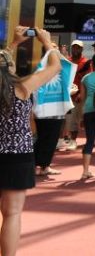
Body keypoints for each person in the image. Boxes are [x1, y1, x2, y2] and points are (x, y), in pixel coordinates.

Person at [0, 29, 61, 256]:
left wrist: (14, 43)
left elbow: (2, 60)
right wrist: (47, 43)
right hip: (17, 157)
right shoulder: (23, 88)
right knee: (12, 213)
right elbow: (55, 67)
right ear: (12, 67)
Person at [60, 41, 89, 151]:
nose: (76, 50)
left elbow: (86, 80)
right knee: (70, 119)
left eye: (78, 48)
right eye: (74, 48)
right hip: (69, 95)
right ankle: (72, 140)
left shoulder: (86, 62)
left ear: (82, 49)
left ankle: (90, 138)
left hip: (80, 95)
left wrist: (81, 93)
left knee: (80, 119)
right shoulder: (68, 61)